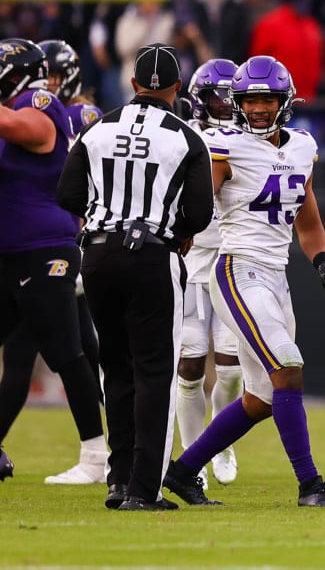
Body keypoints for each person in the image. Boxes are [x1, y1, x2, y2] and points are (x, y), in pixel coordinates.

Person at [162, 55, 325, 508]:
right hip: (236, 269)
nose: (259, 108)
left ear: (284, 102)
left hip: (276, 276)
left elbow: (308, 220)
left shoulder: (302, 146)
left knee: (261, 397)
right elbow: (198, 200)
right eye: (250, 100)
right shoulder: (224, 144)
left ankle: (183, 472)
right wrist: (179, 233)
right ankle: (310, 485)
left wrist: (323, 260)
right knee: (287, 369)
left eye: (267, 99)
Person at [57, 43, 214, 511]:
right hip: (151, 254)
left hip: (99, 254)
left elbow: (67, 194)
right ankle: (144, 490)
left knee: (116, 367)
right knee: (154, 372)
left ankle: (118, 479)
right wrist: (178, 232)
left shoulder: (97, 127)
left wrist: (103, 214)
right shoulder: (186, 136)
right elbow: (201, 212)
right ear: (177, 87)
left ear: (133, 84)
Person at [0, 39, 107, 486]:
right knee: (49, 355)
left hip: (45, 251)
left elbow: (23, 127)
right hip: (12, 255)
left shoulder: (41, 104)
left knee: (69, 353)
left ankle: (97, 454)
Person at [172, 59, 244, 486]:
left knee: (233, 368)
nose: (224, 103)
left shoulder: (247, 139)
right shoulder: (186, 138)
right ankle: (191, 459)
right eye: (216, 95)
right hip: (195, 260)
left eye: (228, 95)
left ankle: (221, 438)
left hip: (234, 258)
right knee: (191, 363)